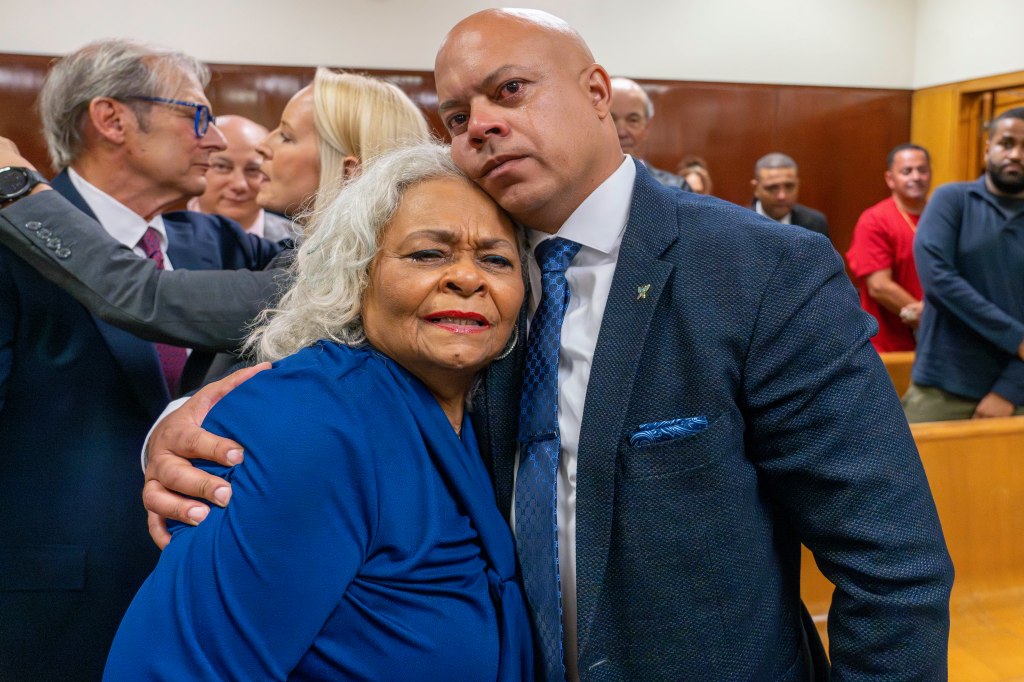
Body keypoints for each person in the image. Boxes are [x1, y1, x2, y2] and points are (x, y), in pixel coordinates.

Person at [143, 9, 952, 680]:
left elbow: (892, 564)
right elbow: (330, 380)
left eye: (511, 91)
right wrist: (178, 425)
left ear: (597, 93)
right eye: (458, 118)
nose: (483, 126)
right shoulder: (476, 271)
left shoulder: (758, 269)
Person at [103, 143, 533, 681]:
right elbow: (175, 668)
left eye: (496, 259)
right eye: (428, 254)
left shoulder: (473, 413)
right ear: (356, 273)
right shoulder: (310, 425)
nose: (468, 278)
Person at [0, 39, 282, 681]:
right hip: (45, 612)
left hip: (207, 603)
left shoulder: (221, 244)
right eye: (198, 116)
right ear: (113, 120)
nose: (217, 143)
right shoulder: (10, 241)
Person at [0, 69, 430, 360]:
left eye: (285, 135)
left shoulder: (341, 284)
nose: (263, 146)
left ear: (348, 171)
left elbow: (142, 294)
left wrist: (17, 186)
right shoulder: (293, 257)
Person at [903, 108, 1024, 422]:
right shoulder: (951, 200)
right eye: (1006, 143)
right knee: (918, 471)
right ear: (988, 149)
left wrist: (1009, 390)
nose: (1016, 154)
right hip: (942, 388)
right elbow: (939, 282)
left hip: (1016, 393)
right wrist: (1016, 338)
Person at [846, 144, 931, 352]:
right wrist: (931, 317)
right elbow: (879, 286)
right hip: (890, 344)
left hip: (940, 343)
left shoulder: (943, 215)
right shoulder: (875, 220)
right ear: (890, 179)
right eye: (907, 171)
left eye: (922, 170)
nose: (916, 177)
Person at [188, 114, 294, 242]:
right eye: (222, 167)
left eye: (253, 170)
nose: (239, 185)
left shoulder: (299, 244)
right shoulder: (161, 238)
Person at [609, 77, 690, 190]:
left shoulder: (676, 189)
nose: (622, 132)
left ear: (647, 127)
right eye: (611, 119)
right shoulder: (578, 190)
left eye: (633, 120)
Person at [751, 152, 830, 236]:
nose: (782, 196)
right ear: (755, 189)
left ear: (798, 185)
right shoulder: (739, 224)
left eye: (789, 186)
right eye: (772, 188)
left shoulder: (815, 222)